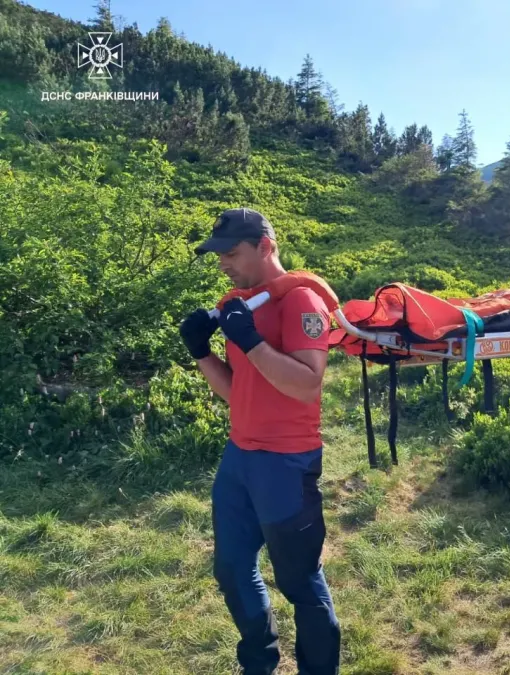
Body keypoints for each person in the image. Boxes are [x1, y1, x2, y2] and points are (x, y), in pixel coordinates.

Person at [178, 208, 341, 674]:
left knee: (299, 581)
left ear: (265, 247)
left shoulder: (301, 302)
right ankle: (259, 664)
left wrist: (249, 340)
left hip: (286, 463)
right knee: (231, 569)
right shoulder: (239, 303)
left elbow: (307, 384)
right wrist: (200, 351)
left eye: (232, 253)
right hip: (240, 459)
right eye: (218, 254)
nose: (223, 263)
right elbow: (238, 392)